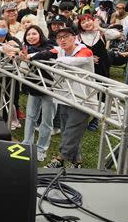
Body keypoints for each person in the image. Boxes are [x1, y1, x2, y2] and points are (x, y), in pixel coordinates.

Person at [25, 25, 94, 168]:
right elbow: (45, 53)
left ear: (75, 38)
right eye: (59, 37)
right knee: (68, 131)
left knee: (71, 130)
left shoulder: (85, 51)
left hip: (82, 99)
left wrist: (55, 60)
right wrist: (29, 56)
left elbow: (72, 61)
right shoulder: (60, 50)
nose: (62, 40)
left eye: (65, 37)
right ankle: (77, 161)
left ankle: (60, 159)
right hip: (65, 96)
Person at [18, 26, 56, 162]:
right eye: (28, 35)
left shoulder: (50, 45)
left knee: (46, 121)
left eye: (34, 34)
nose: (31, 37)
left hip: (50, 89)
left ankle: (41, 149)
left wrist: (30, 55)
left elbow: (49, 52)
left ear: (40, 34)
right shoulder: (24, 48)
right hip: (34, 88)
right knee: (30, 116)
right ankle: (26, 143)